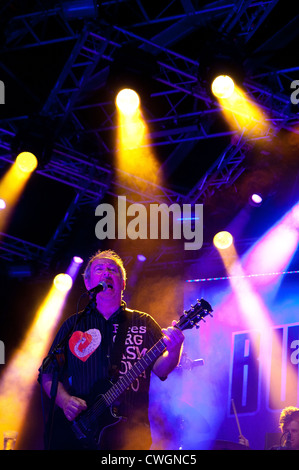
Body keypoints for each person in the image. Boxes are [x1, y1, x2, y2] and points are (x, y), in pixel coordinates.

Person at [39, 249, 184, 450]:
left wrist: (175, 350)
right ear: (89, 283)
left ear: (122, 284)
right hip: (80, 434)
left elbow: (161, 368)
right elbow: (47, 374)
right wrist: (65, 402)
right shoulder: (73, 325)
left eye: (113, 270)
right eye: (100, 269)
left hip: (131, 432)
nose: (107, 273)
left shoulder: (143, 322)